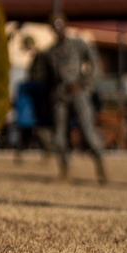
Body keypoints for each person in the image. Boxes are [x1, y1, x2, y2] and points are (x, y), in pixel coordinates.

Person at [31, 16, 107, 183]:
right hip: (59, 96)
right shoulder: (50, 52)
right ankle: (64, 171)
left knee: (88, 132)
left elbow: (95, 65)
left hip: (79, 93)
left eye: (60, 25)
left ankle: (100, 167)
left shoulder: (78, 45)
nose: (58, 29)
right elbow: (42, 78)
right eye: (54, 27)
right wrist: (36, 58)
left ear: (65, 26)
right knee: (60, 136)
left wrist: (84, 83)